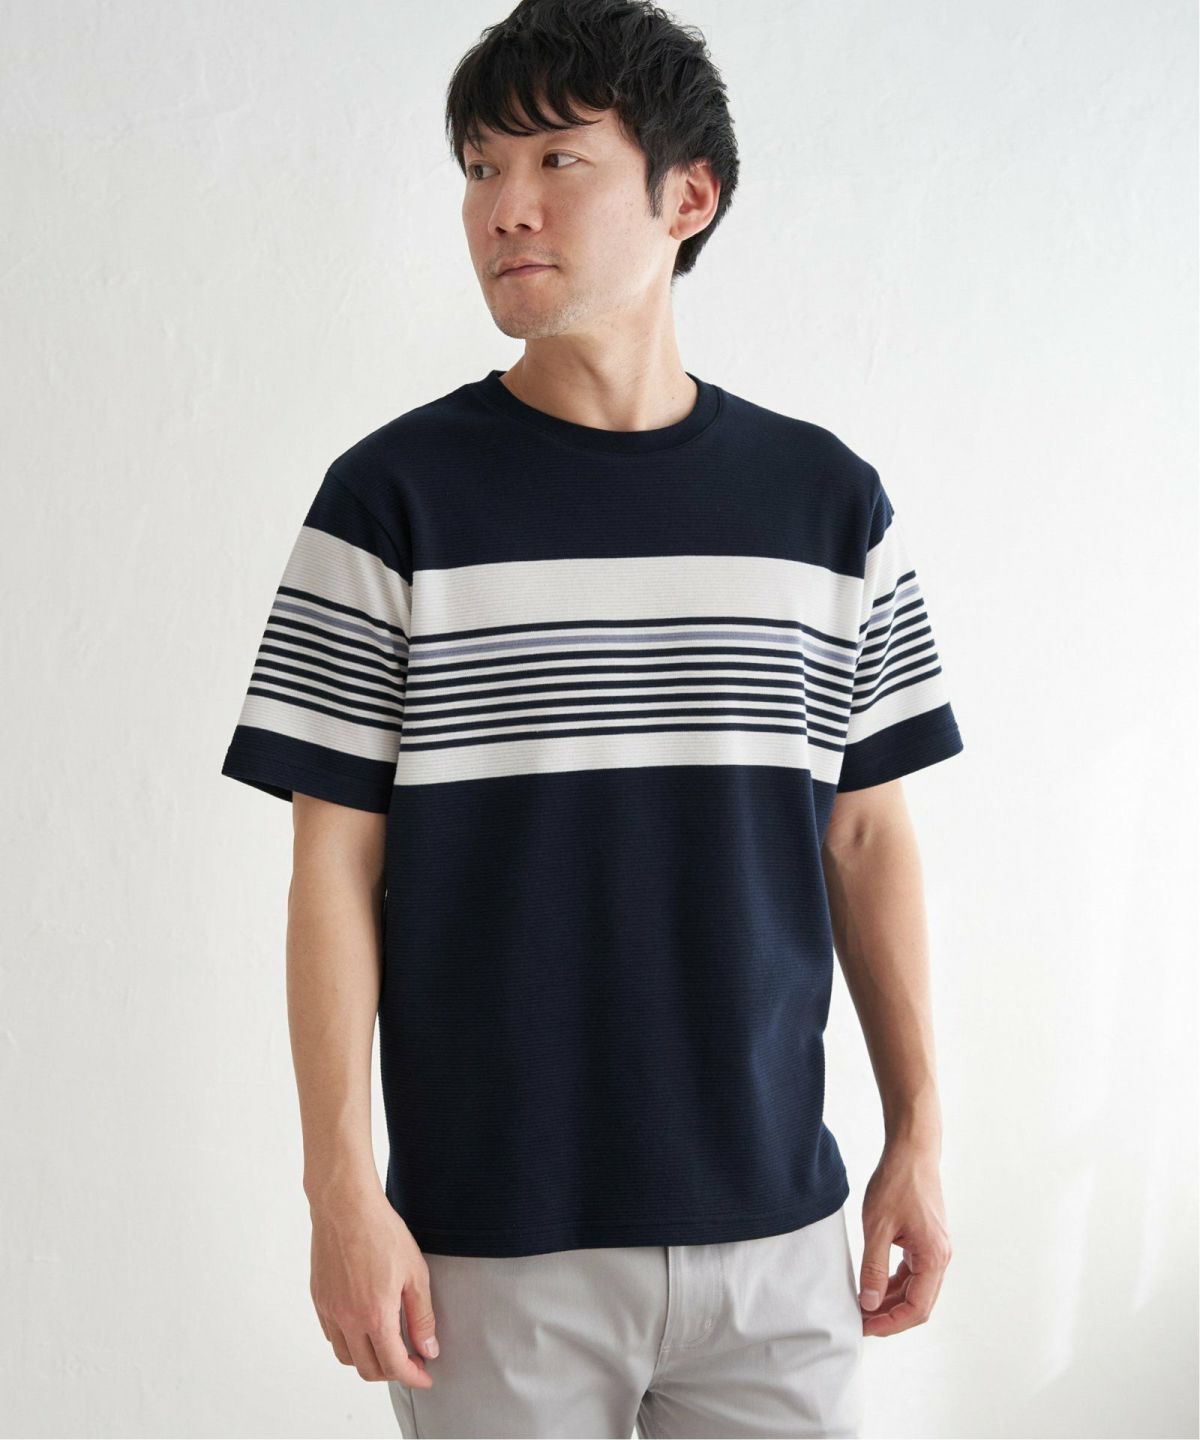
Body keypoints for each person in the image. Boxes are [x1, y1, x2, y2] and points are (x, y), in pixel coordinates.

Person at [220, 1, 963, 1435]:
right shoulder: (390, 502)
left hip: (779, 1236)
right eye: (480, 168)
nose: (505, 206)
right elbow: (332, 867)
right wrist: (340, 1190)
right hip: (491, 1246)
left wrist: (920, 1136)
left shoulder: (828, 505)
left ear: (690, 197)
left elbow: (868, 839)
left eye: (557, 159)